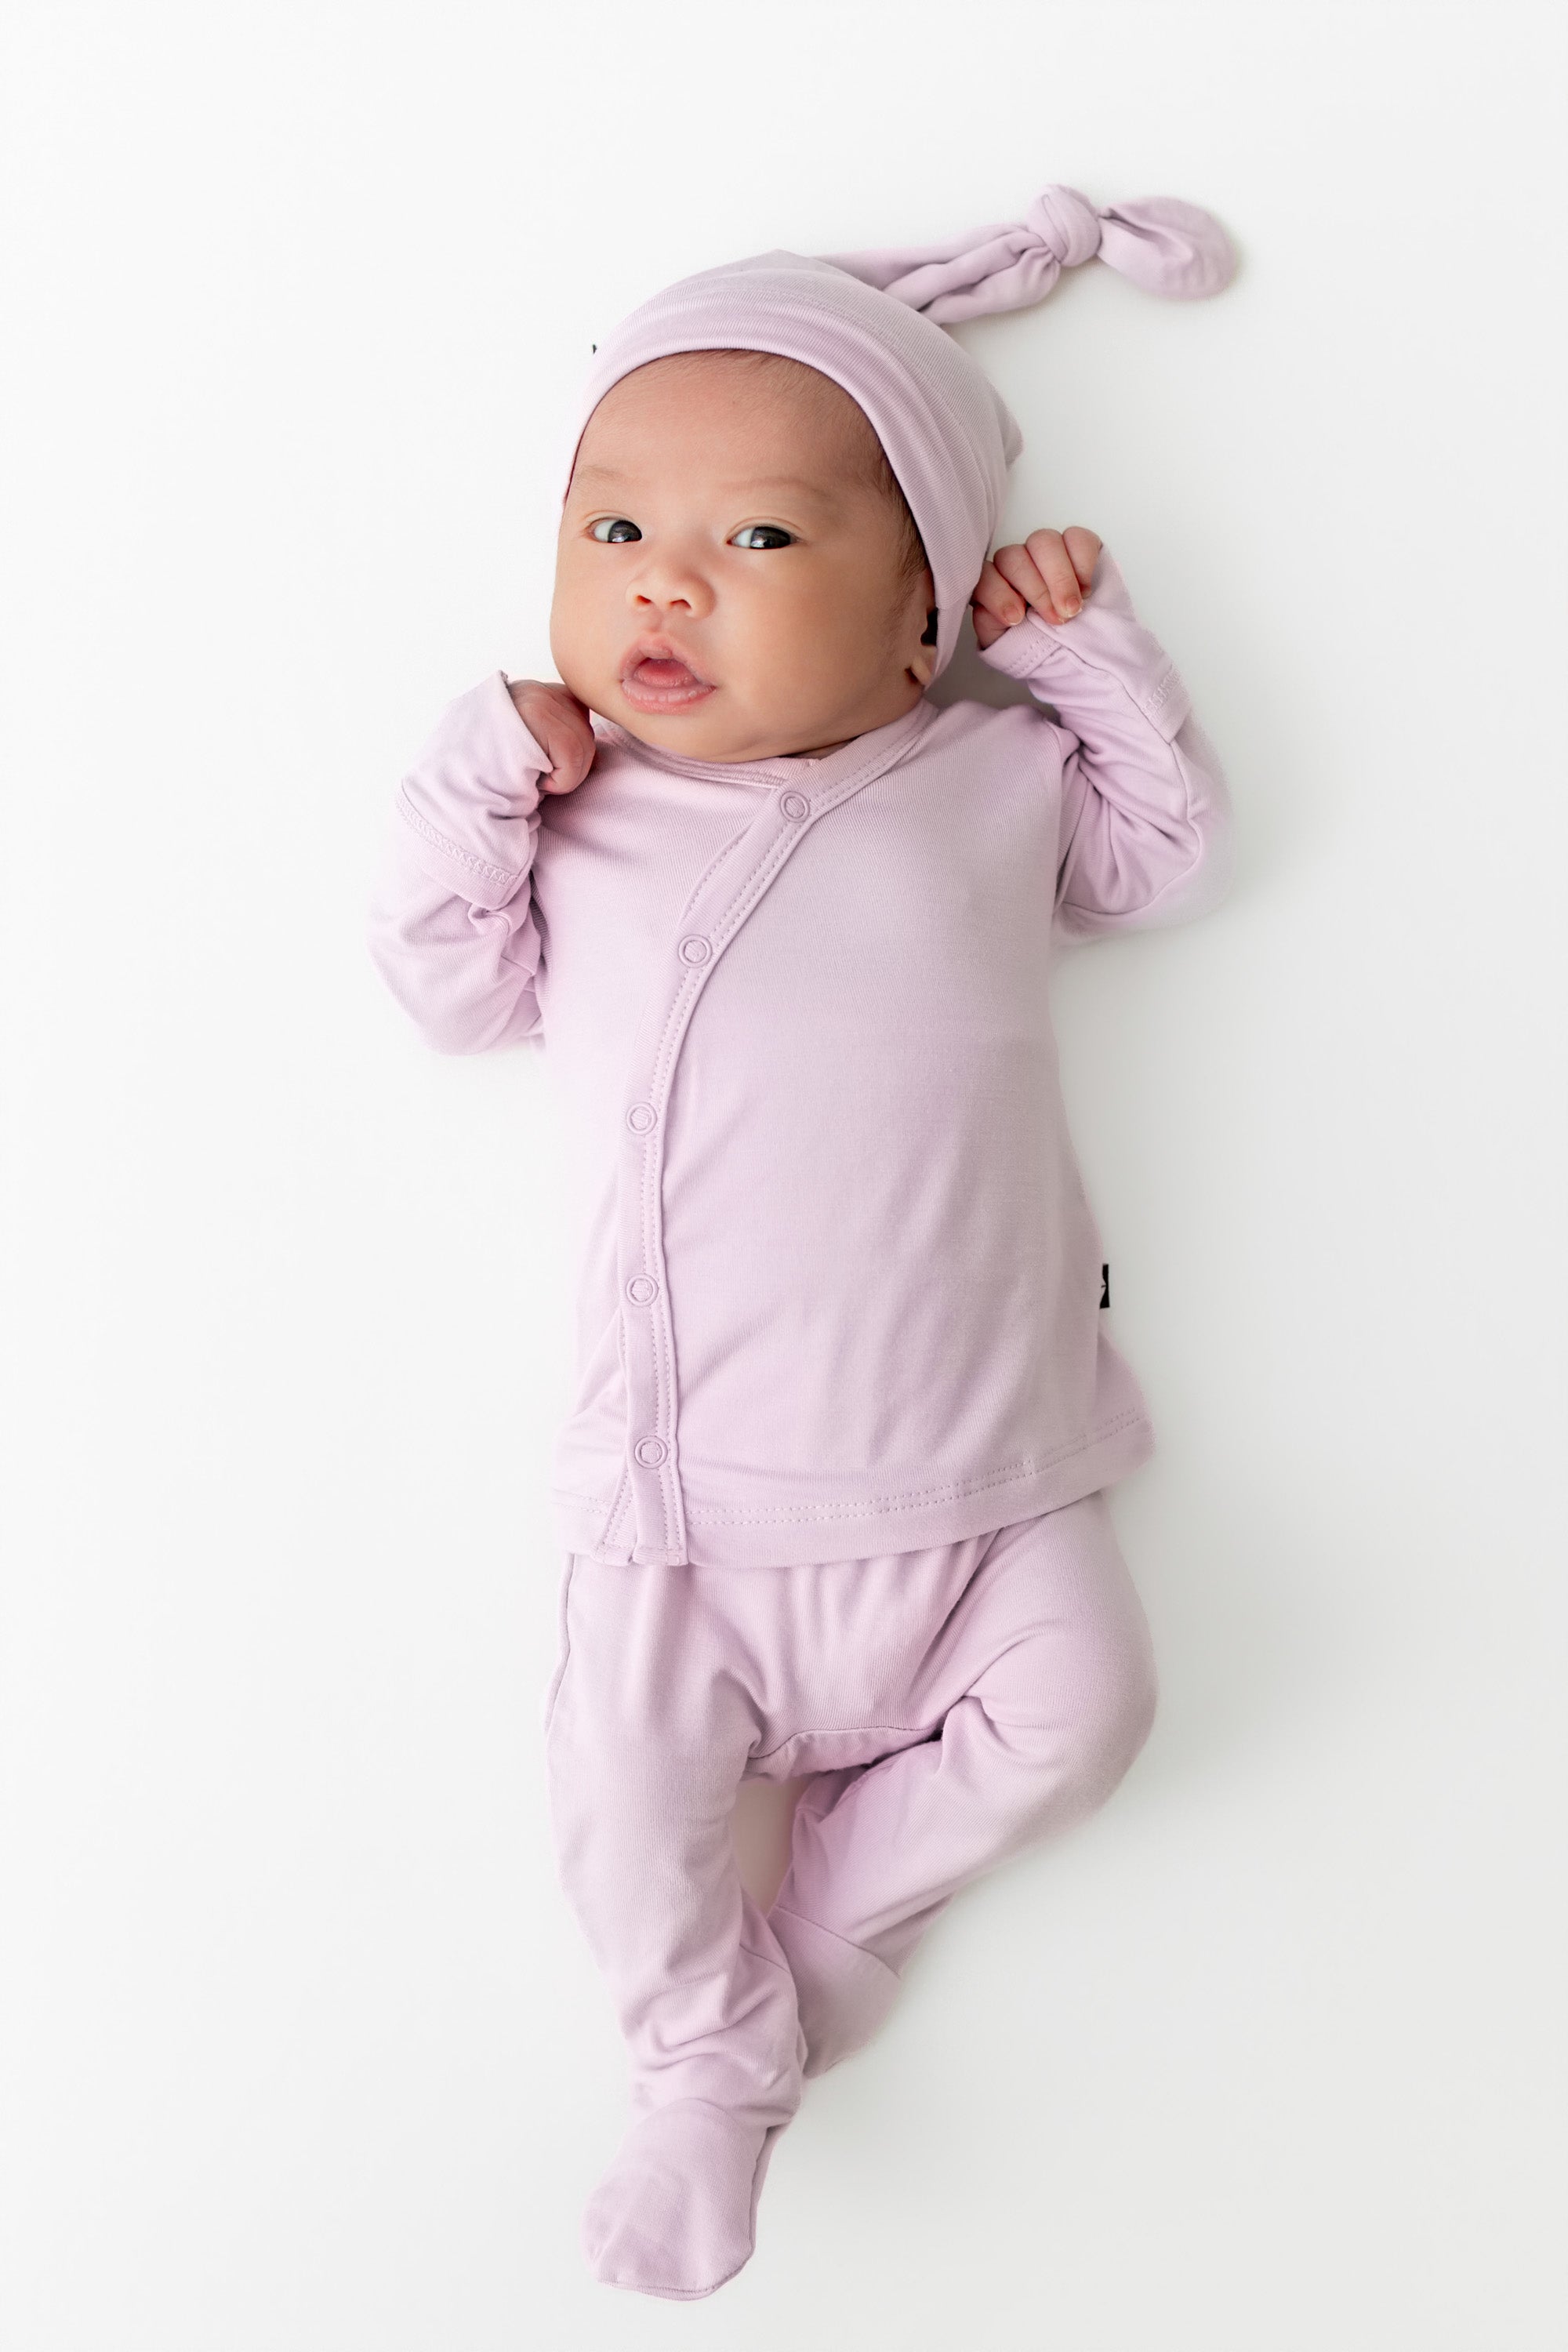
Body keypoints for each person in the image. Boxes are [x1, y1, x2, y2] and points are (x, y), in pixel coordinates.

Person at [366, 183, 1238, 2302]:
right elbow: (445, 990)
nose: (665, 581)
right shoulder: (584, 818)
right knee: (625, 1799)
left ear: (919, 615)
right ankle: (699, 2064)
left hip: (984, 1468)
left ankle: (826, 1938)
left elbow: (1165, 859)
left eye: (760, 540)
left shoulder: (991, 777)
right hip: (688, 1495)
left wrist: (1083, 654)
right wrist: (474, 785)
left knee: (1086, 1711)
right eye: (613, 535)